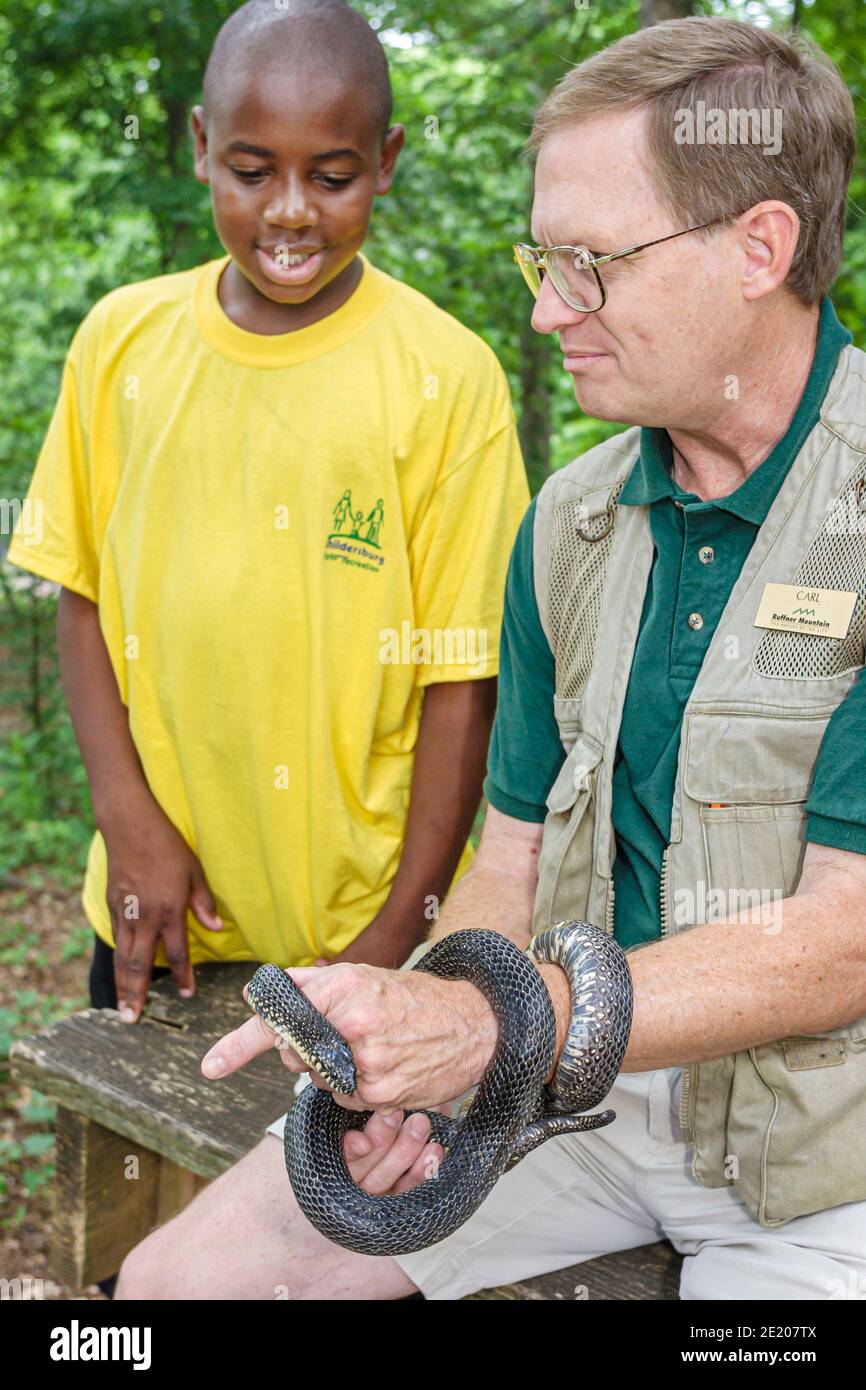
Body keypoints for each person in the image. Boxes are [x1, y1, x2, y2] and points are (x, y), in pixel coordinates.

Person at [113, 16, 866, 1302]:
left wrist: (486, 1023)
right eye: (540, 257)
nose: (540, 306)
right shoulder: (567, 524)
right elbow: (507, 866)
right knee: (167, 1289)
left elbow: (840, 941)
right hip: (576, 1097)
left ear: (759, 247)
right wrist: (416, 1043)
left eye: (587, 264)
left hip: (824, 1162)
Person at [5, 0, 528, 1032]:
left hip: (356, 932)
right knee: (143, 1185)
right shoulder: (121, 345)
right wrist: (130, 825)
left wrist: (392, 942)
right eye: (252, 171)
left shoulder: (446, 376)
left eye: (330, 177)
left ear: (384, 162)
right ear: (201, 150)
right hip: (160, 914)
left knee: (350, 1194)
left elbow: (460, 681)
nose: (289, 210)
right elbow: (82, 599)